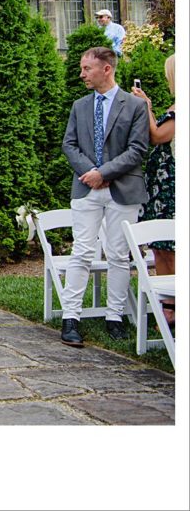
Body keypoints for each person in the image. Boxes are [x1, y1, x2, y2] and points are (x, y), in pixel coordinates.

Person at [59, 46, 149, 347]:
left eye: (87, 68)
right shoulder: (80, 105)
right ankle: (70, 318)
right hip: (86, 188)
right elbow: (69, 145)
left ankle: (115, 317)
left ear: (106, 69)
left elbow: (137, 150)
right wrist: (91, 173)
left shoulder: (135, 106)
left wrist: (105, 173)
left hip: (123, 190)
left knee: (119, 255)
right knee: (82, 251)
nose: (82, 73)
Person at [131, 54, 176, 330]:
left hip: (171, 188)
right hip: (161, 188)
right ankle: (168, 308)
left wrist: (146, 107)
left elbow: (158, 136)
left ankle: (173, 308)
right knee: (161, 248)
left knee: (171, 246)